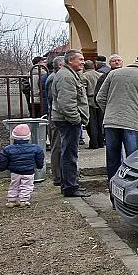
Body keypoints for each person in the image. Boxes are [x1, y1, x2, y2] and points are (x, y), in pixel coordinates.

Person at [96, 55, 138, 181]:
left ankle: (113, 184)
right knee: (133, 159)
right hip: (133, 123)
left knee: (112, 157)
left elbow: (100, 98)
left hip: (111, 122)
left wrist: (110, 112)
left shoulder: (113, 74)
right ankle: (130, 185)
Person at [51, 49, 90, 197]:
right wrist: (76, 120)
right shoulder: (66, 76)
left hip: (68, 120)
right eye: (80, 59)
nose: (83, 62)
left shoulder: (70, 74)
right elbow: (67, 103)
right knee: (69, 155)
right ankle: (70, 187)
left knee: (68, 153)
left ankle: (69, 185)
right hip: (68, 121)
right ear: (70, 61)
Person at [0, 123, 45, 208]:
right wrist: (39, 166)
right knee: (27, 186)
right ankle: (23, 200)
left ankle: (12, 200)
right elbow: (40, 159)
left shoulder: (8, 149)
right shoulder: (36, 148)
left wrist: (1, 168)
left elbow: (3, 161)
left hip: (15, 171)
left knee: (14, 185)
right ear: (29, 137)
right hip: (29, 171)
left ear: (13, 137)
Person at [44, 56, 64, 186]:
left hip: (56, 116)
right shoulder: (54, 78)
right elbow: (55, 99)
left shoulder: (55, 77)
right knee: (57, 147)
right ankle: (58, 176)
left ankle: (60, 175)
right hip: (56, 117)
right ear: (60, 65)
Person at [81, 60, 103, 149]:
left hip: (89, 101)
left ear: (84, 67)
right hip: (99, 101)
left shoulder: (83, 76)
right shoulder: (100, 75)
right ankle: (101, 142)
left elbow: (83, 90)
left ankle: (94, 143)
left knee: (92, 124)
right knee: (100, 123)